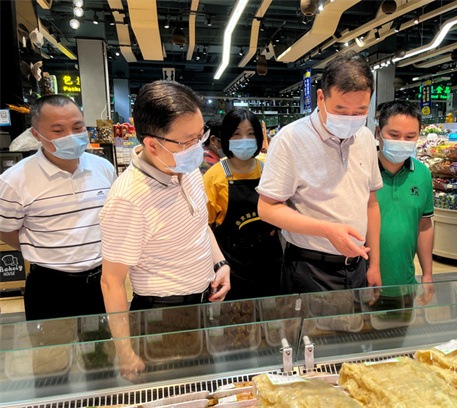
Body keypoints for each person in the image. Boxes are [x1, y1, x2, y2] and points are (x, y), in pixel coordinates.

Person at [99, 80, 230, 379]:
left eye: (200, 136)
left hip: (202, 306)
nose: (197, 148)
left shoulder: (187, 169)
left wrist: (219, 262)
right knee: (174, 391)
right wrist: (124, 351)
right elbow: (112, 281)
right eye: (187, 142)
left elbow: (200, 224)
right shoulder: (128, 199)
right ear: (152, 144)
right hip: (161, 316)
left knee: (205, 387)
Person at [257, 51, 383, 293]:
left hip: (358, 265)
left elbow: (371, 203)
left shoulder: (366, 137)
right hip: (310, 268)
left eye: (360, 112)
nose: (350, 119)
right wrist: (326, 230)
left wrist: (375, 263)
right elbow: (267, 208)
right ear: (321, 97)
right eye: (341, 110)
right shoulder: (290, 139)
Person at [0, 95, 116, 320]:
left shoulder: (104, 168)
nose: (70, 136)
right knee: (52, 343)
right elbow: (5, 230)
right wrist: (45, 249)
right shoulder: (13, 180)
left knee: (104, 342)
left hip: (102, 280)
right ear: (36, 135)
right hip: (49, 286)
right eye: (58, 130)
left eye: (77, 127)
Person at [203, 109, 283, 300]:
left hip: (270, 262)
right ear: (226, 138)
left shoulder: (268, 170)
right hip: (232, 265)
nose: (244, 139)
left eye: (250, 133)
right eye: (237, 134)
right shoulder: (214, 177)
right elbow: (204, 226)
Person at [375, 101, 434, 305]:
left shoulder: (423, 174)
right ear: (378, 132)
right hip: (362, 284)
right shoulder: (361, 171)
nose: (402, 142)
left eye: (410, 137)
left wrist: (427, 274)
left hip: (405, 285)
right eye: (394, 135)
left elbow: (424, 226)